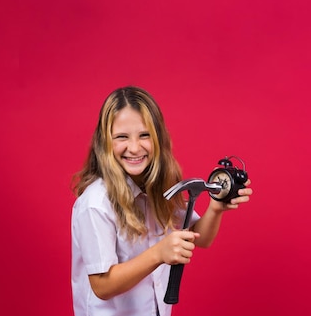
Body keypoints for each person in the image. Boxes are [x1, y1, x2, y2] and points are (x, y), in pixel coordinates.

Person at [71, 86, 253, 316]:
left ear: (158, 137)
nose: (135, 147)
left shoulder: (158, 188)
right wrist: (158, 253)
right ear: (105, 141)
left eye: (144, 135)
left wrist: (216, 207)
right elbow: (102, 285)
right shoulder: (96, 203)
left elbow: (201, 237)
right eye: (121, 137)